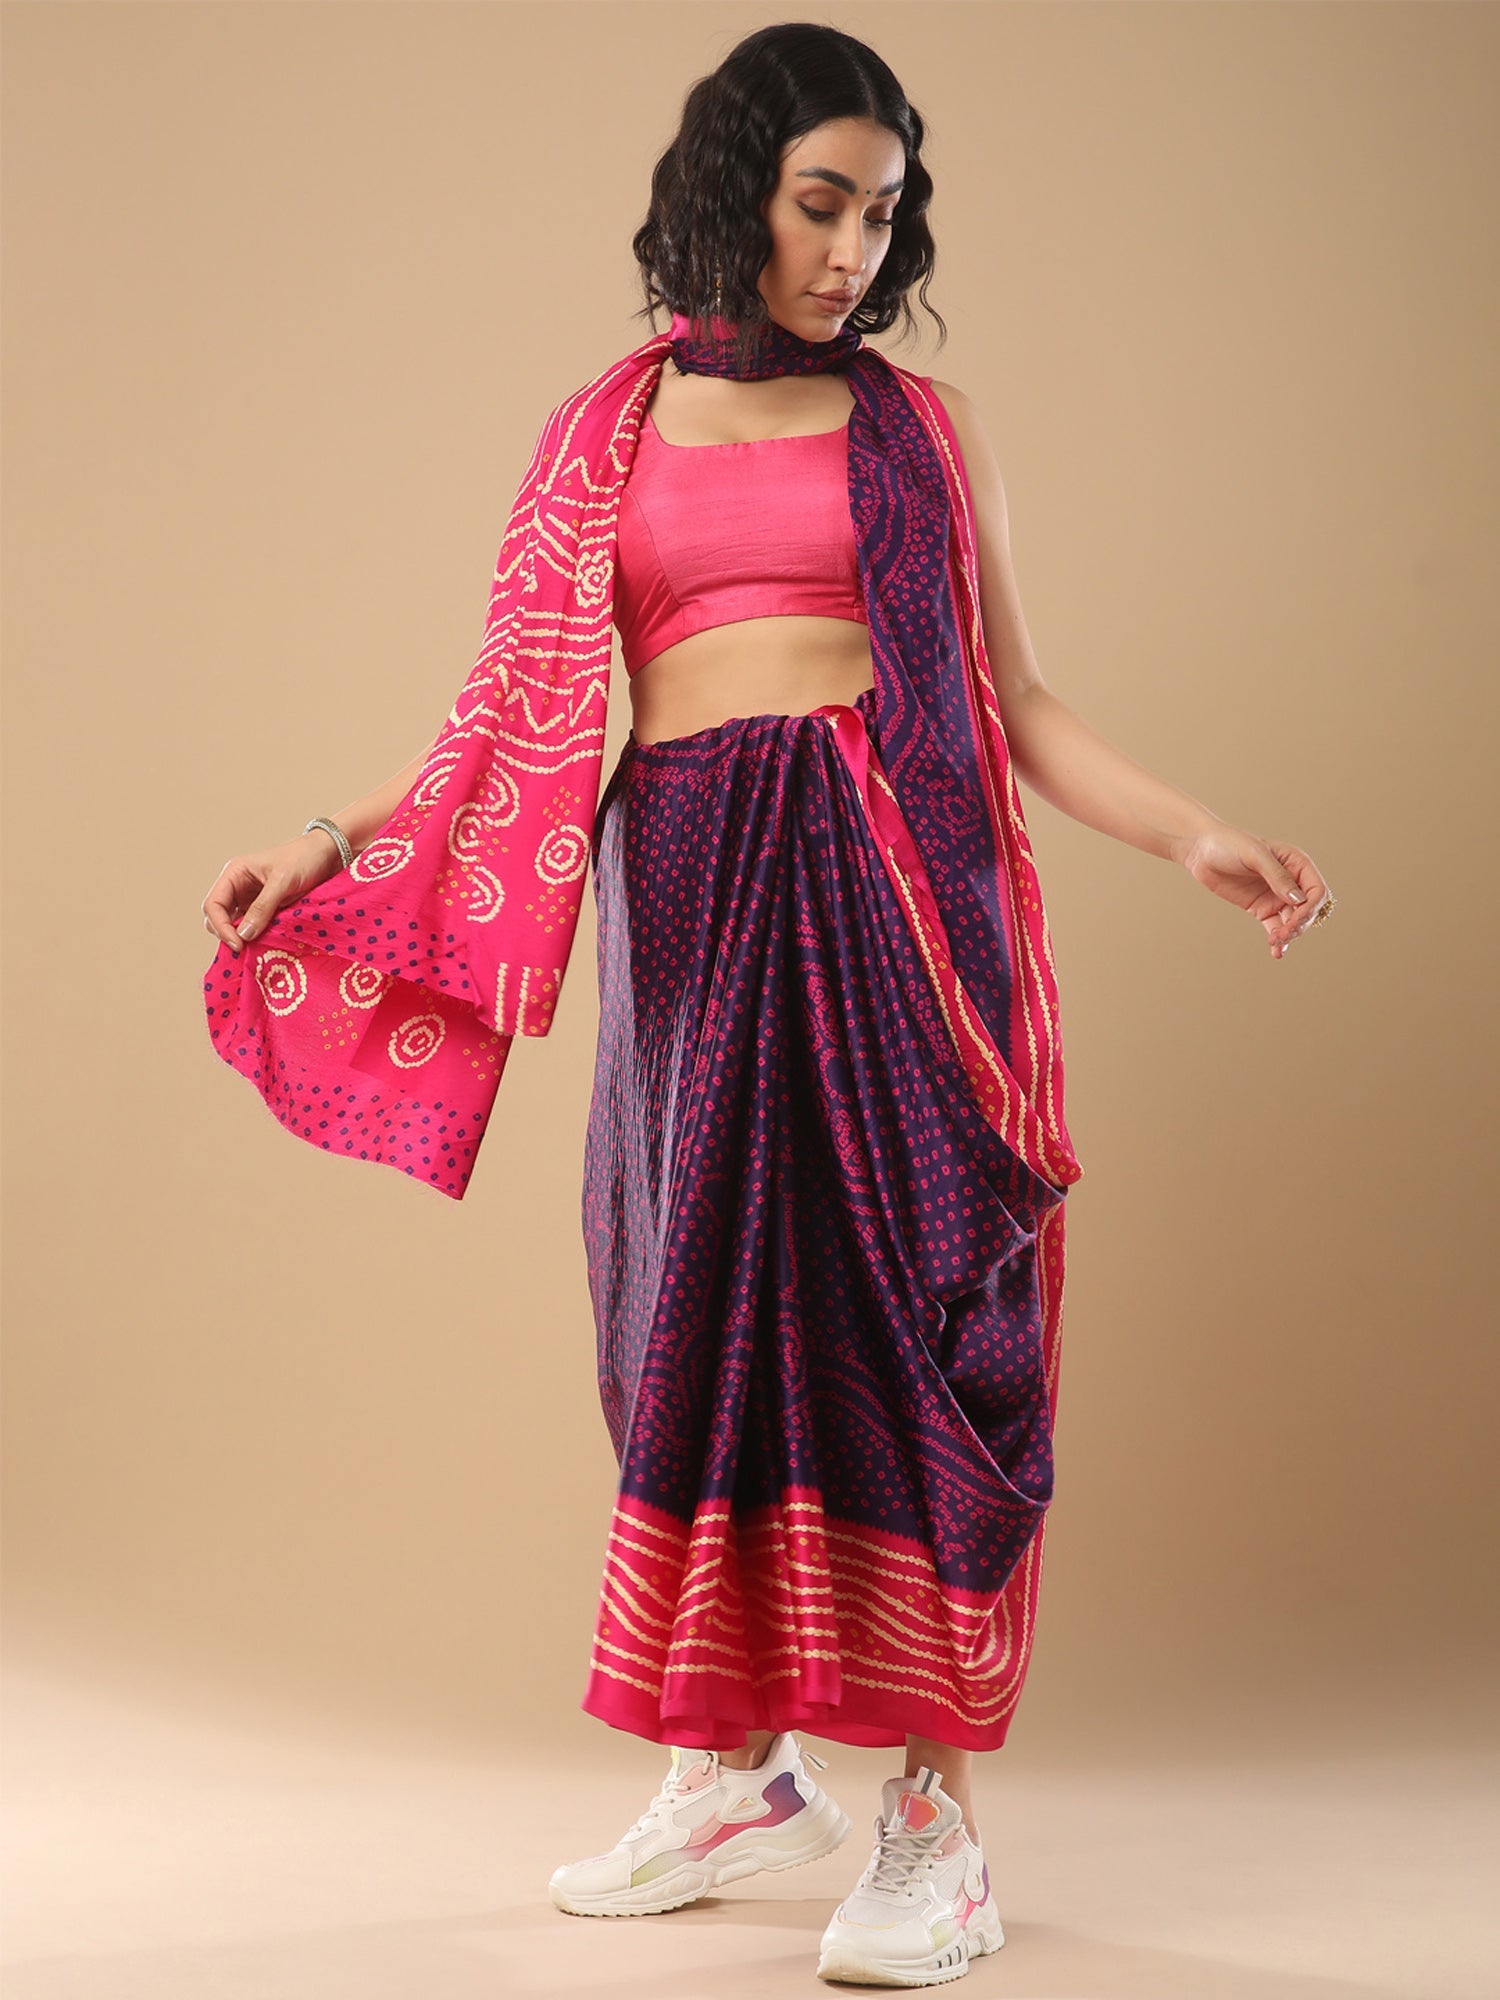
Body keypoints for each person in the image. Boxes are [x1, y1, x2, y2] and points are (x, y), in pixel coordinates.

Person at [200, 21, 1333, 1989]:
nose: (851, 251)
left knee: (900, 1318)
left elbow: (1017, 699)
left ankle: (935, 1827)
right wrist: (324, 837)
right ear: (738, 190)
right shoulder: (602, 433)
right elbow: (503, 711)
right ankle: (734, 1777)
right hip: (690, 902)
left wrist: (1194, 832)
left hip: (894, 901)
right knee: (692, 1311)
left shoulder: (923, 429)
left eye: (881, 215)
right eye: (823, 203)